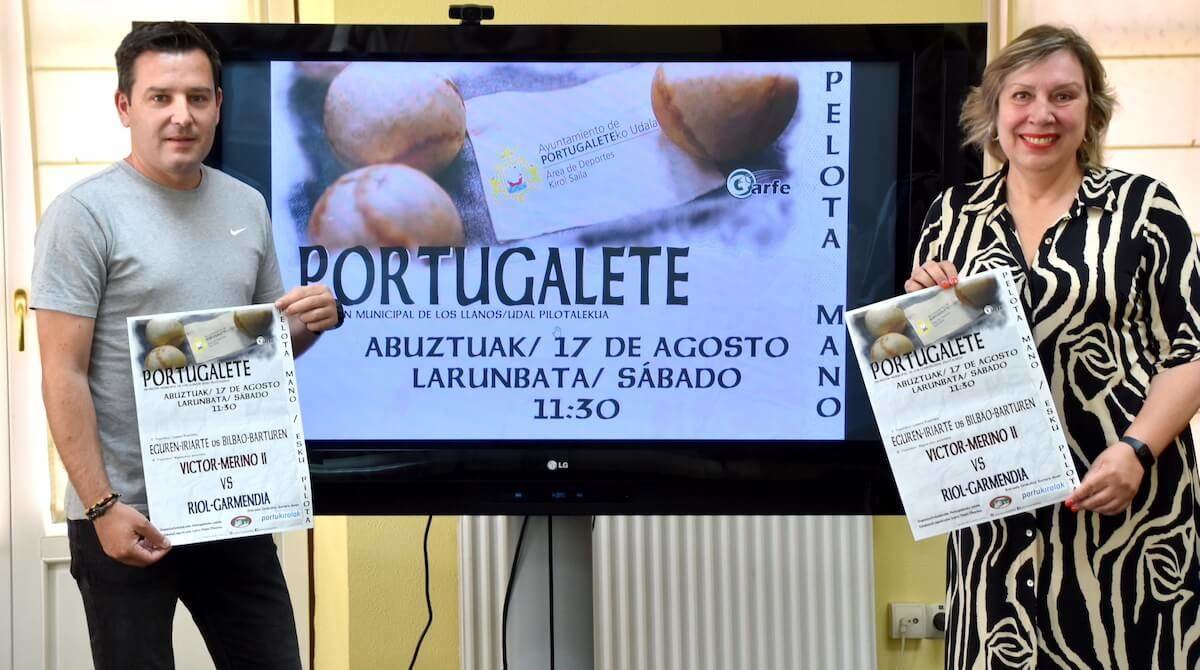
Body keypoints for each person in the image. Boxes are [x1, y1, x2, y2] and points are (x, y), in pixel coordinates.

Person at [31, 21, 340, 670]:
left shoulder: (246, 205)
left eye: (199, 98)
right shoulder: (83, 214)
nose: (182, 116)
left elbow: (258, 356)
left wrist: (307, 323)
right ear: (125, 107)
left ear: (219, 107)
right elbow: (62, 370)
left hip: (230, 504)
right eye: (161, 97)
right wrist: (102, 506)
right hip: (125, 515)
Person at [906, 24, 1200, 668]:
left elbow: (1194, 346)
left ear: (1091, 110)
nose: (1041, 115)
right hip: (994, 527)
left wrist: (1135, 451)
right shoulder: (952, 214)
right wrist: (922, 306)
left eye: (1064, 96)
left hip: (1129, 517)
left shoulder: (1145, 209)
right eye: (1022, 96)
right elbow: (935, 360)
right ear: (994, 109)